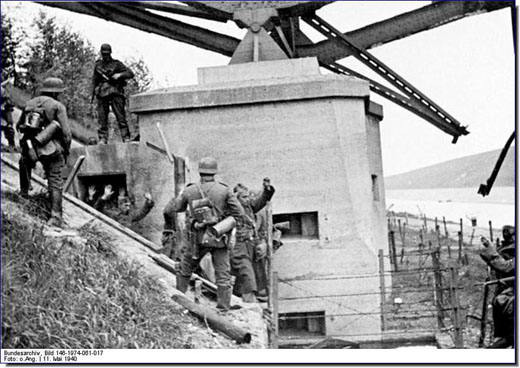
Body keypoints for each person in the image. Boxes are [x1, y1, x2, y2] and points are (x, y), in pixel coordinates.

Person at [163, 157, 244, 311]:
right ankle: (223, 307)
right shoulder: (224, 190)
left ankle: (179, 299)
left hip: (197, 237)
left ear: (200, 171)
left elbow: (178, 208)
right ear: (215, 172)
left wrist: (184, 195)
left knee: (185, 267)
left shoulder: (190, 190)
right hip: (218, 236)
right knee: (223, 273)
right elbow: (239, 212)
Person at [16, 77, 72, 228]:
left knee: (24, 163)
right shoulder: (57, 106)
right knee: (55, 180)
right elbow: (67, 134)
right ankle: (55, 217)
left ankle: (23, 195)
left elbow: (18, 125)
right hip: (50, 148)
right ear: (57, 93)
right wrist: (66, 151)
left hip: (29, 145)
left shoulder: (30, 103)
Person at [231, 178, 275, 303]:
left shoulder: (249, 206)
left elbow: (262, 200)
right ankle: (249, 303)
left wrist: (266, 189)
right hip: (239, 247)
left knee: (256, 274)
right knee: (247, 275)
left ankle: (254, 299)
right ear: (237, 198)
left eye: (248, 196)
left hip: (251, 245)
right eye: (244, 197)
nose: (247, 199)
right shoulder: (231, 209)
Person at [480, 225, 515, 348]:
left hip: (510, 296)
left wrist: (490, 251)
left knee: (511, 338)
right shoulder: (506, 250)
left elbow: (505, 267)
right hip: (506, 295)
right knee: (510, 337)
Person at [91, 43, 134, 144]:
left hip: (115, 91)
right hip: (102, 93)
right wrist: (93, 93)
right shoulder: (98, 65)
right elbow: (94, 80)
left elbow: (130, 73)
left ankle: (126, 137)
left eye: (107, 54)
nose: (105, 56)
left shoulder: (117, 64)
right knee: (102, 118)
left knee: (121, 116)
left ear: (110, 53)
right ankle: (102, 138)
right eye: (103, 54)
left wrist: (119, 75)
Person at [87, 184, 154, 231]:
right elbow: (95, 210)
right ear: (119, 205)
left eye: (128, 206)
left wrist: (149, 201)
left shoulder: (128, 215)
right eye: (126, 205)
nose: (128, 208)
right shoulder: (110, 213)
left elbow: (141, 213)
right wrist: (104, 196)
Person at [1, 81, 17, 152]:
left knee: (8, 125)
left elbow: (8, 100)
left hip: (5, 109)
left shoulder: (2, 91)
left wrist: (3, 105)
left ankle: (11, 145)